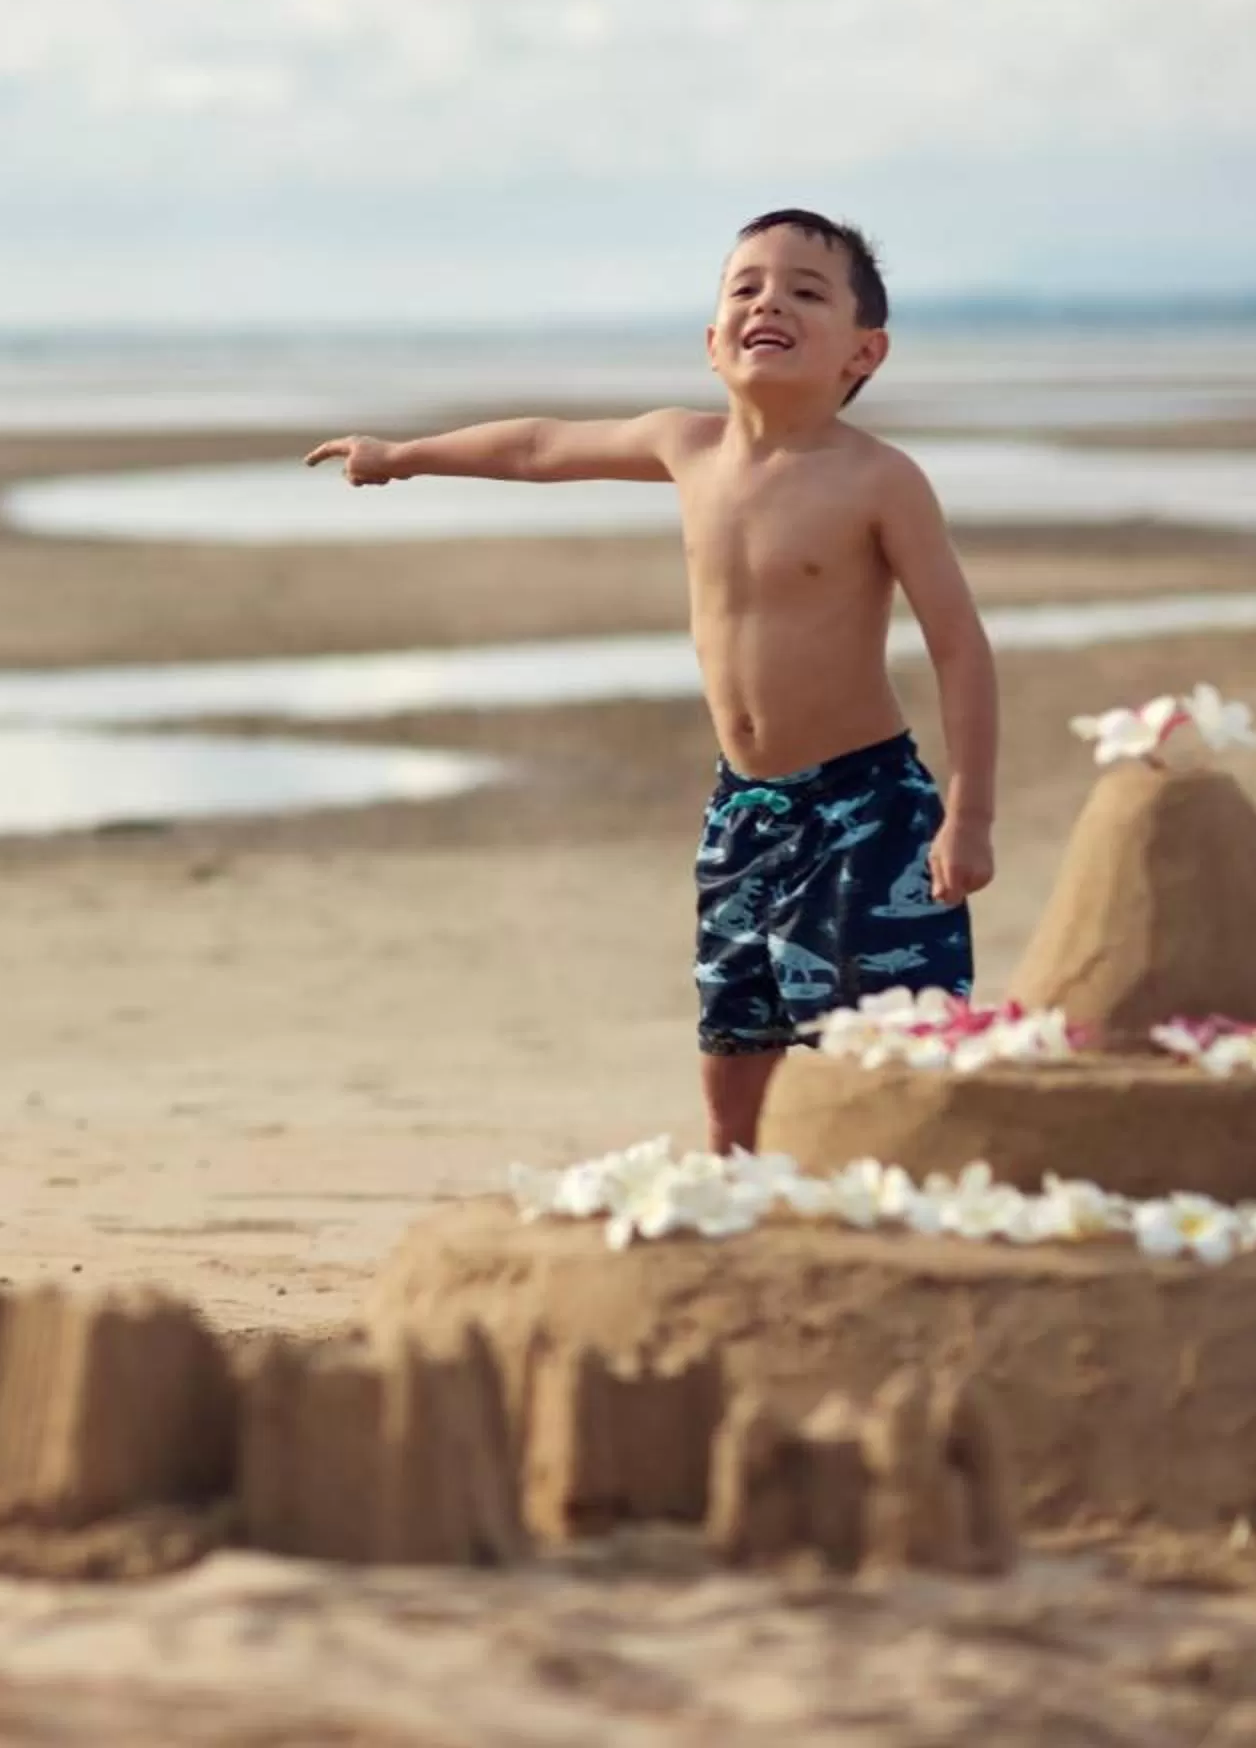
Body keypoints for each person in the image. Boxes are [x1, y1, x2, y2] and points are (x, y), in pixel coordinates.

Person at [305, 210, 995, 1154]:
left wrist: (970, 814)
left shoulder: (878, 480)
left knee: (879, 1064)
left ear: (863, 350)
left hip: (864, 814)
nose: (769, 302)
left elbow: (960, 645)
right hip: (743, 811)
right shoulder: (687, 447)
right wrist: (405, 456)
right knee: (734, 1050)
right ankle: (735, 1226)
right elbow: (538, 447)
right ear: (713, 341)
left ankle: (894, 1234)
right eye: (746, 286)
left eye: (804, 290)